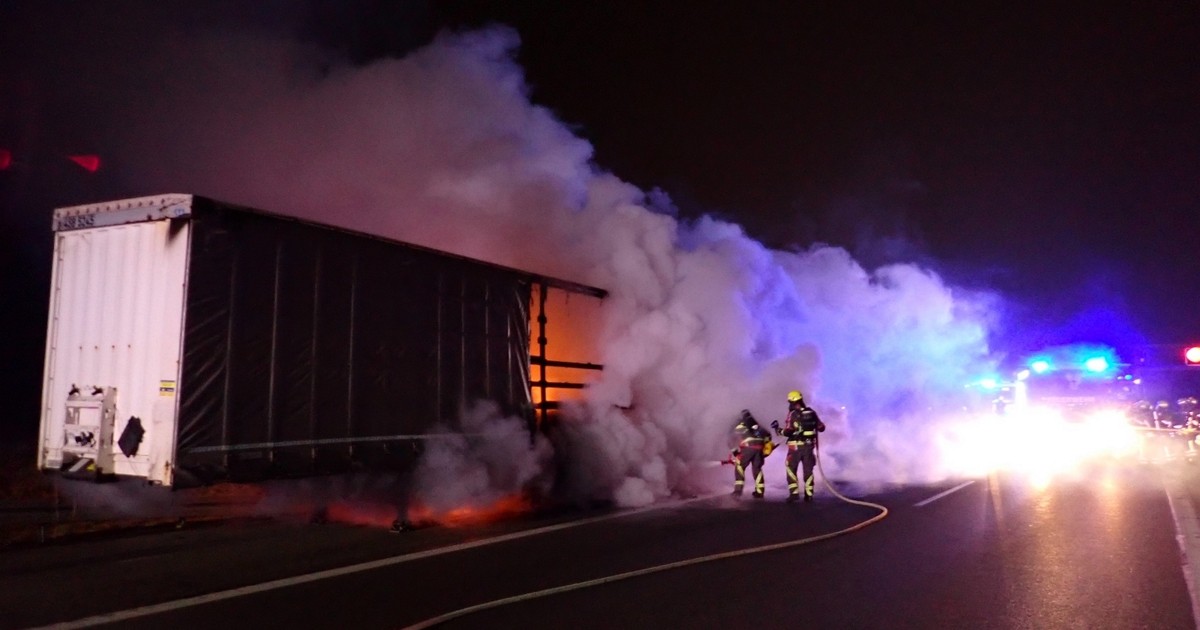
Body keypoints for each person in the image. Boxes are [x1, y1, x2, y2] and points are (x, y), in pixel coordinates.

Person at [772, 390, 825, 503]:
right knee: (808, 470)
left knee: (791, 468)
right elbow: (821, 427)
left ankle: (794, 493)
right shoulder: (811, 412)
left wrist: (778, 430)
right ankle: (809, 494)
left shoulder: (793, 414)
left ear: (792, 402)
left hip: (795, 447)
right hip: (809, 447)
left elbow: (788, 431)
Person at [731, 409, 770, 498]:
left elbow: (731, 440)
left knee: (739, 466)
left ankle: (738, 491)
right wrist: (765, 448)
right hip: (759, 448)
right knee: (757, 468)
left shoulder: (739, 426)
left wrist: (735, 452)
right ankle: (760, 491)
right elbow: (768, 436)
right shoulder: (757, 425)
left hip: (748, 448)